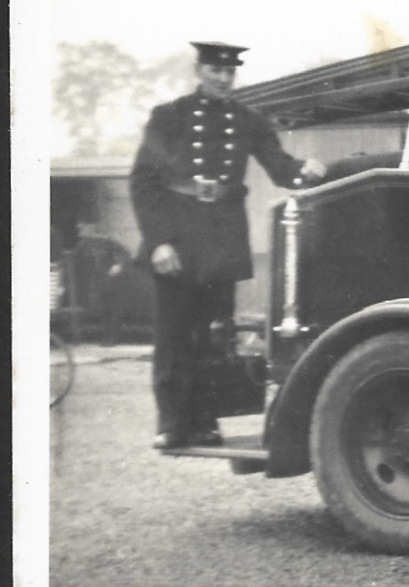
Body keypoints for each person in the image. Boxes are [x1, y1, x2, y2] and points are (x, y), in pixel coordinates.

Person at [130, 41, 327, 450]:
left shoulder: (247, 119)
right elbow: (144, 183)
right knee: (174, 335)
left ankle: (204, 423)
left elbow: (278, 165)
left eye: (229, 73)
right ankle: (171, 424)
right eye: (215, 71)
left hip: (221, 236)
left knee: (215, 335)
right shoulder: (170, 116)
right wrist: (160, 242)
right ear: (199, 70)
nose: (223, 79)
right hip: (179, 235)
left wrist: (303, 171)